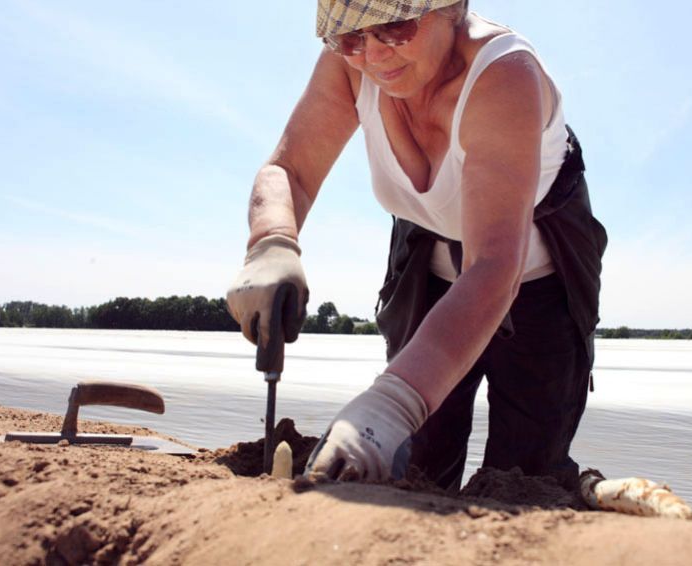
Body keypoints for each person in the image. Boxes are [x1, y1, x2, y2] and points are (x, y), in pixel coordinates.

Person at [227, 0, 607, 492]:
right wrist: (271, 242)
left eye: (396, 26)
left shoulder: (504, 72)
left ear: (455, 8)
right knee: (420, 451)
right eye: (350, 36)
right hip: (427, 255)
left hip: (535, 271)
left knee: (525, 468)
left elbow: (493, 265)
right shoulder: (348, 65)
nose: (374, 54)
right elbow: (289, 172)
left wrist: (389, 404)